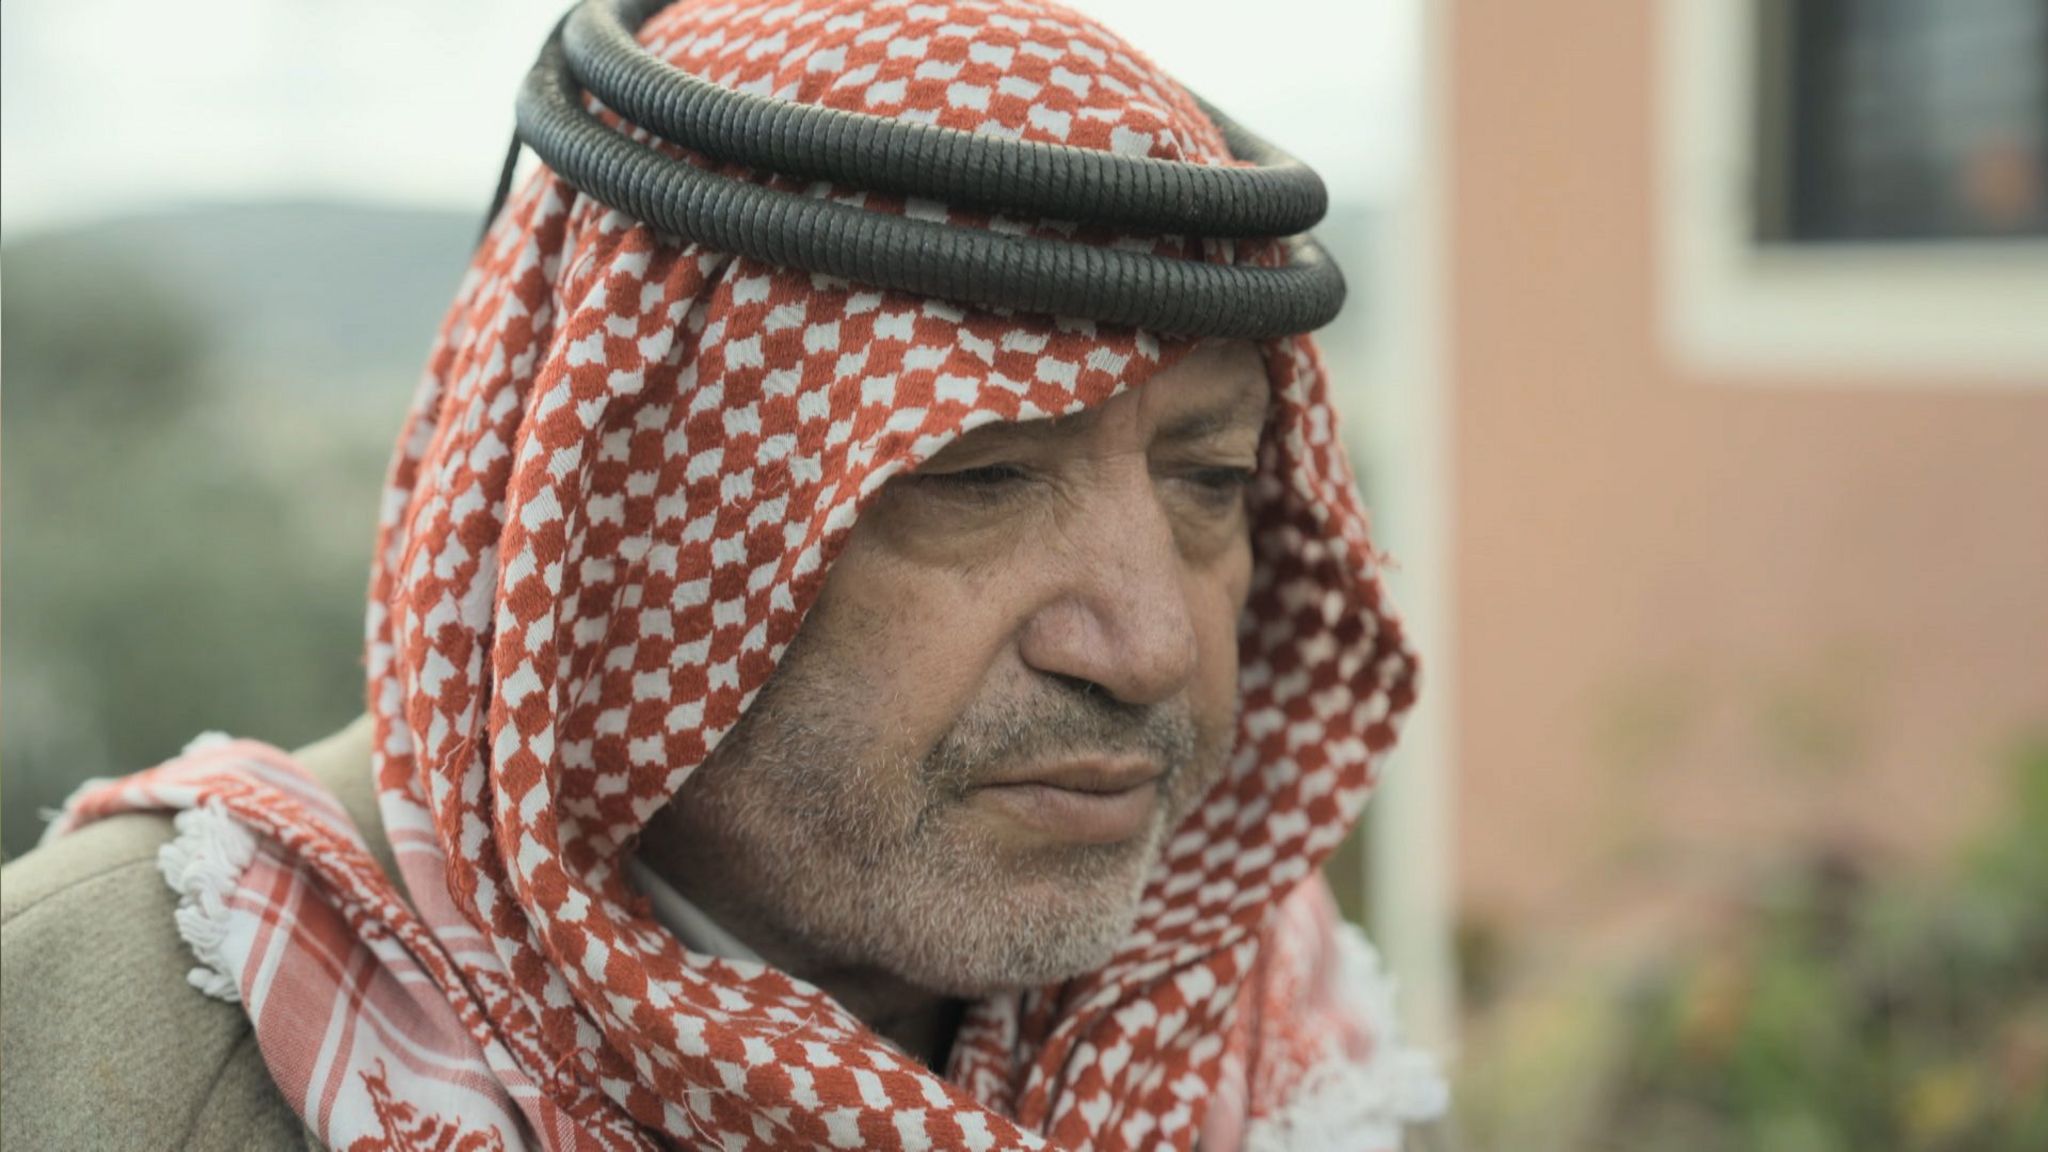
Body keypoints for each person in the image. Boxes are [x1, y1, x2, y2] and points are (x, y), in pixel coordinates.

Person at [0, 0, 1447, 1147]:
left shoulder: (1278, 1039)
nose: (1147, 648)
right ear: (626, 539)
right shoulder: (99, 1044)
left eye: (1207, 481)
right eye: (978, 479)